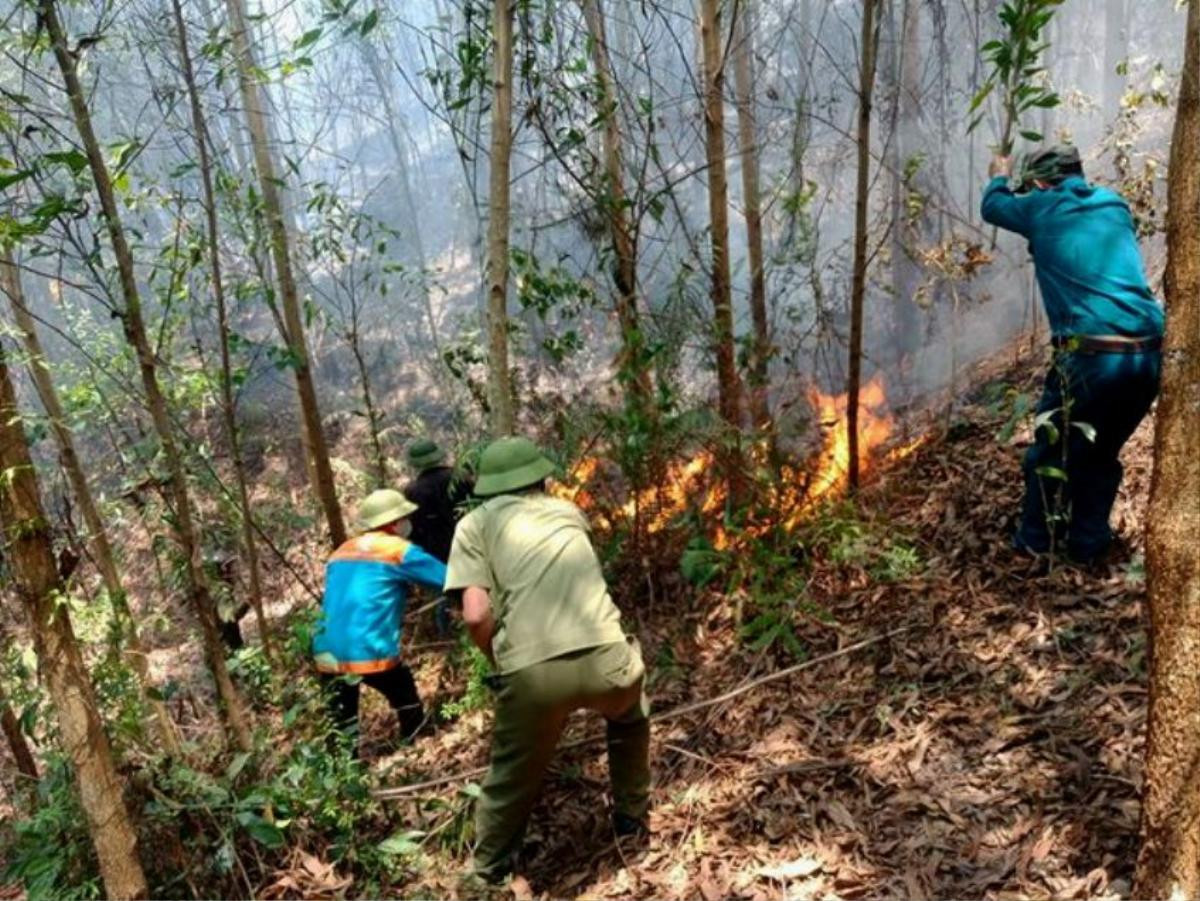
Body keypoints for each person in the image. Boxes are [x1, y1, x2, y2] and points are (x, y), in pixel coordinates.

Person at [444, 436, 650, 884]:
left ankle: (486, 876)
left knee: (512, 775)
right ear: (540, 477)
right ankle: (633, 822)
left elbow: (476, 614)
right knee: (630, 719)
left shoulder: (475, 526)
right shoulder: (568, 512)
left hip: (533, 675)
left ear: (489, 487)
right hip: (609, 658)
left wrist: (498, 659)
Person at [981, 144, 1164, 564]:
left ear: (1041, 183)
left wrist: (998, 173)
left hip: (1091, 357)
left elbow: (992, 206)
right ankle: (1088, 545)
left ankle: (1034, 545)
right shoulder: (1114, 204)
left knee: (1047, 452)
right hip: (1148, 355)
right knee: (1101, 452)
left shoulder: (1041, 207)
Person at [312, 488, 447, 750]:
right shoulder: (398, 550)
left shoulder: (341, 551)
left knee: (341, 725)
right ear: (393, 523)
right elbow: (448, 579)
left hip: (327, 651)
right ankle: (414, 744)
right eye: (405, 517)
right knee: (404, 692)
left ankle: (344, 778)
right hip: (368, 648)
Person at [403, 438, 473, 634]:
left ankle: (447, 635)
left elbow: (412, 530)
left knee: (443, 595)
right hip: (468, 545)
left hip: (435, 554)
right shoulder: (461, 477)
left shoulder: (412, 492)